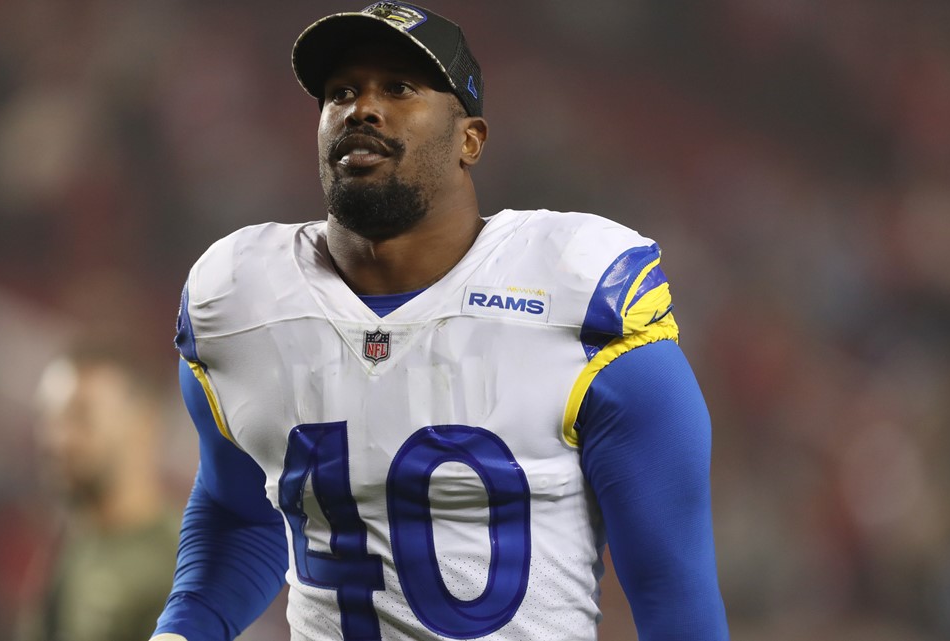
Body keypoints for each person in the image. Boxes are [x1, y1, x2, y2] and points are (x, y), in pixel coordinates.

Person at [152, 2, 729, 640]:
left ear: (469, 139)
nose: (361, 108)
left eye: (398, 87)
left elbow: (670, 588)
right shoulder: (238, 300)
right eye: (341, 92)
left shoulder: (582, 294)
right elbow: (239, 518)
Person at [24, 340, 180, 641]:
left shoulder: (179, 571)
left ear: (143, 424)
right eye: (48, 418)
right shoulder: (76, 540)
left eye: (80, 416)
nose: (57, 439)